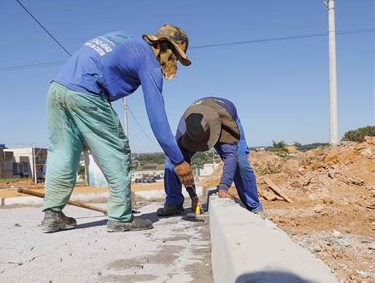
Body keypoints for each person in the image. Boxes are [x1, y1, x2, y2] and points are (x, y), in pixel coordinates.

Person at [42, 24, 195, 233]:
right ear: (165, 47)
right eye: (175, 56)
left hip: (58, 87)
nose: (173, 62)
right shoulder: (149, 63)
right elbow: (157, 120)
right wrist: (178, 160)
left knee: (63, 151)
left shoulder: (121, 37)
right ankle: (120, 217)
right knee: (117, 150)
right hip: (87, 92)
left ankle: (52, 214)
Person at [157, 97, 264, 216]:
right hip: (202, 126)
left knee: (240, 160)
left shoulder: (226, 121)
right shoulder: (184, 131)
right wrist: (193, 196)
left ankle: (254, 207)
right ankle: (174, 203)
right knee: (173, 160)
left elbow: (230, 156)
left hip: (224, 121)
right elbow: (183, 165)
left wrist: (224, 187)